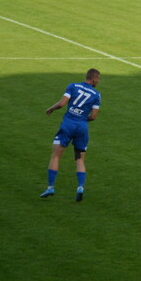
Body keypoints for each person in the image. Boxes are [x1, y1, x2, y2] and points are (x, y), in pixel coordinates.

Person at [40, 68, 101, 202]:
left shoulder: (73, 86)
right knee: (79, 159)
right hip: (82, 127)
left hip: (68, 125)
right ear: (94, 79)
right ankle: (80, 187)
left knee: (56, 156)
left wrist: (51, 108)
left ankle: (50, 187)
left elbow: (62, 104)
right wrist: (83, 118)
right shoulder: (96, 94)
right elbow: (93, 116)